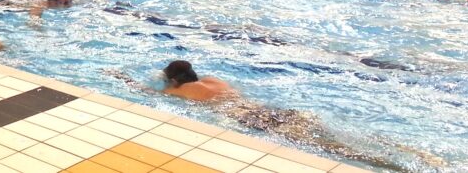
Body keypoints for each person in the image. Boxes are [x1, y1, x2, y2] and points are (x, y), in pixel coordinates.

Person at [110, 61, 433, 170]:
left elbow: (145, 94)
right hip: (273, 112)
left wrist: (122, 78)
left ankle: (391, 166)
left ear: (175, 81)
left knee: (337, 150)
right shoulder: (213, 81)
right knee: (337, 138)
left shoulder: (178, 91)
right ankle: (412, 153)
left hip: (252, 121)